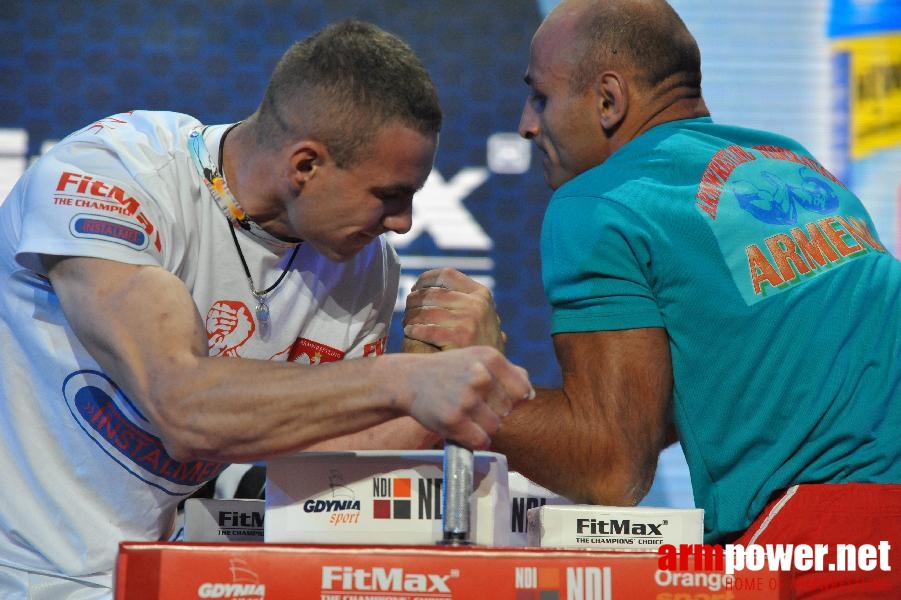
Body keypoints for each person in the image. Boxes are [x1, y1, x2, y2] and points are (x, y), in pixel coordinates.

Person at [0, 20, 533, 598]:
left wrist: (447, 385)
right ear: (304, 165)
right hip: (25, 575)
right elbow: (182, 408)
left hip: (174, 576)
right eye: (389, 195)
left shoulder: (364, 267)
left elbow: (318, 462)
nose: (403, 222)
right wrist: (406, 378)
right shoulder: (114, 179)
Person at [405, 0, 900, 594]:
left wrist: (456, 381)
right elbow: (720, 389)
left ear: (609, 101)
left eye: (540, 97)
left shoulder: (603, 199)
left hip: (830, 545)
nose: (526, 124)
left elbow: (612, 465)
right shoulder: (793, 163)